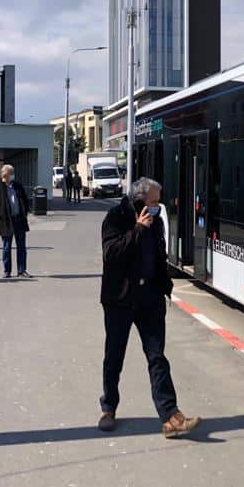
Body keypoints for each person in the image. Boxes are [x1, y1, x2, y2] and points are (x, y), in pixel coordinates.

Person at [98, 177, 200, 438]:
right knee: (114, 357)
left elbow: (158, 254)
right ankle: (108, 407)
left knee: (157, 358)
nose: (157, 206)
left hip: (149, 299)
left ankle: (170, 416)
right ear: (139, 200)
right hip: (120, 300)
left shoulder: (156, 220)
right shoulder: (115, 217)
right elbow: (111, 254)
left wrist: (164, 286)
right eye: (154, 202)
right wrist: (138, 230)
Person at [0, 164, 31, 279]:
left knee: (21, 247)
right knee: (7, 247)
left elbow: (25, 201)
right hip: (6, 221)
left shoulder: (18, 186)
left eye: (13, 173)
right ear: (4, 175)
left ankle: (22, 270)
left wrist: (25, 211)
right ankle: (7, 270)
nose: (13, 176)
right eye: (11, 173)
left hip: (19, 220)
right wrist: (1, 215)